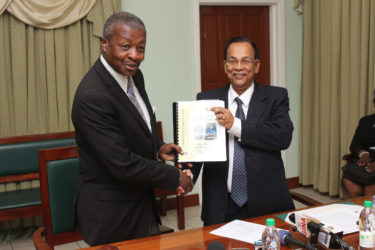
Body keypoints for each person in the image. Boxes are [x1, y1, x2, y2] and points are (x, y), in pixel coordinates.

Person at [71, 12, 193, 245]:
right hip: (111, 213)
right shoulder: (92, 95)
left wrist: (158, 148)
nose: (134, 56)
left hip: (141, 203)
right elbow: (121, 163)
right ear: (104, 44)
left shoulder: (135, 77)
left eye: (141, 48)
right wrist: (174, 175)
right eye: (126, 46)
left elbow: (137, 124)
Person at [191, 36, 295, 226]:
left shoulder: (276, 97)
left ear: (256, 66)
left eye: (246, 61)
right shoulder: (207, 99)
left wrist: (235, 125)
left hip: (266, 202)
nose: (238, 67)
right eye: (232, 61)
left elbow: (283, 137)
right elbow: (199, 146)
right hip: (220, 205)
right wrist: (187, 176)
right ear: (225, 66)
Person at [341, 91, 375, 199]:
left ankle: (370, 213)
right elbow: (355, 144)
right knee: (349, 181)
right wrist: (364, 155)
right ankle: (356, 212)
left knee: (372, 181)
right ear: (374, 103)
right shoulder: (365, 121)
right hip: (366, 160)